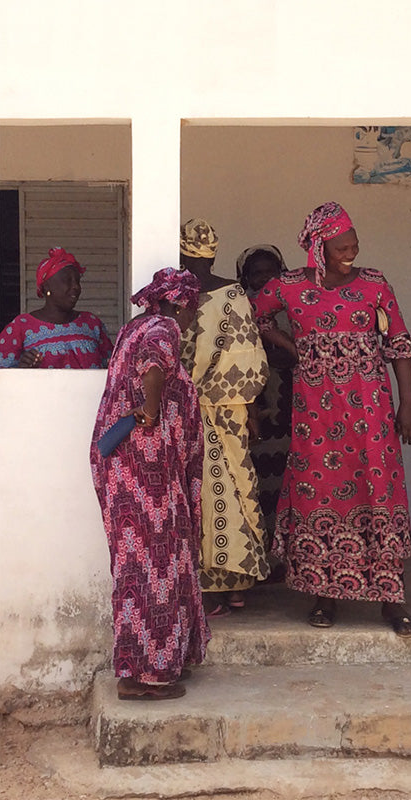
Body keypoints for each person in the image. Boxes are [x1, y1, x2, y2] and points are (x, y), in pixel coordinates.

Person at [253, 201, 411, 636]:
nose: (351, 253)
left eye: (354, 245)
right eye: (342, 247)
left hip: (372, 409)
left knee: (379, 490)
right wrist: (294, 348)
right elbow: (257, 317)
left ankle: (391, 598)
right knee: (320, 494)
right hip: (316, 412)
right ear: (319, 248)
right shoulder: (289, 286)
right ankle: (323, 595)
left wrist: (409, 405)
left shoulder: (375, 285)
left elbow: (399, 343)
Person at [90, 267, 209, 701]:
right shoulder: (163, 328)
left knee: (145, 562)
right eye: (193, 307)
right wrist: (151, 409)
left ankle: (160, 659)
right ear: (179, 303)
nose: (194, 316)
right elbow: (154, 366)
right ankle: (148, 676)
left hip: (127, 463)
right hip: (144, 465)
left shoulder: (134, 327)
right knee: (154, 564)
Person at [179, 219, 270, 617]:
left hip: (184, 410)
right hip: (228, 410)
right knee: (232, 487)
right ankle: (234, 583)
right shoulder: (233, 294)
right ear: (214, 252)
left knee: (196, 492)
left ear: (182, 253)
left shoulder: (173, 295)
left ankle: (207, 585)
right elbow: (249, 358)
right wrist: (248, 409)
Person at [237, 244, 295, 542]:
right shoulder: (238, 308)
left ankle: (284, 551)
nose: (263, 278)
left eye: (270, 272)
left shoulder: (293, 305)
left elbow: (301, 353)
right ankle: (261, 551)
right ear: (245, 277)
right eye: (256, 273)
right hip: (253, 402)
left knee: (288, 479)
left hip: (289, 401)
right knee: (257, 478)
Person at [0, 247, 113, 368]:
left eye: (77, 281)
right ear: (46, 287)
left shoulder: (92, 323)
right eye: (67, 280)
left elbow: (113, 369)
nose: (76, 286)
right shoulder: (21, 326)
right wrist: (23, 370)